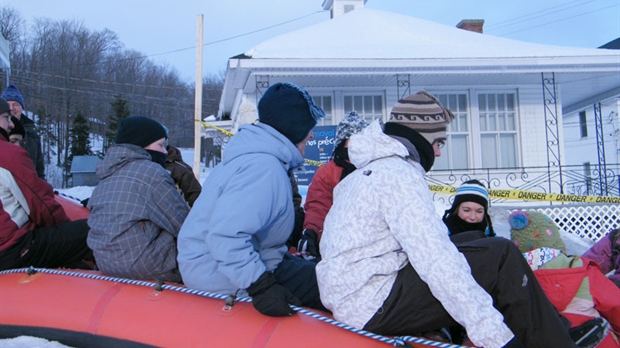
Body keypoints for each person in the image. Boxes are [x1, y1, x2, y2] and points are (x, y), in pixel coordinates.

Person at [315, 91, 580, 348]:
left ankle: (551, 328)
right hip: (373, 302)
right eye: (438, 143)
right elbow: (436, 261)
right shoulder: (398, 177)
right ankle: (552, 342)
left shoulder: (366, 173)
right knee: (500, 255)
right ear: (420, 137)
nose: (439, 153)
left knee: (475, 239)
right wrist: (498, 340)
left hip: (356, 291)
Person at [177, 82, 326, 317]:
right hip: (216, 270)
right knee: (335, 287)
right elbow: (225, 236)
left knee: (319, 272)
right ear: (293, 128)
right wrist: (260, 286)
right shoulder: (262, 168)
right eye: (308, 127)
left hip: (230, 260)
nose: (312, 134)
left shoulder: (255, 158)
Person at [87, 116, 189, 283]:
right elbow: (183, 224)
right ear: (142, 145)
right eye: (161, 145)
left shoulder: (107, 175)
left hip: (106, 263)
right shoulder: (151, 173)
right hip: (145, 266)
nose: (164, 152)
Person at [0, 98, 91, 271]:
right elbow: (41, 204)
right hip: (12, 249)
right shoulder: (9, 154)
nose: (10, 124)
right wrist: (65, 229)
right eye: (6, 117)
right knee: (91, 229)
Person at [509, 211, 619, 347]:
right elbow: (615, 305)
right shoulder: (582, 270)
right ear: (555, 238)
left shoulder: (512, 277)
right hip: (594, 339)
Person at [297, 111, 369, 259]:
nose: (354, 145)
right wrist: (311, 232)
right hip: (335, 244)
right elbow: (318, 206)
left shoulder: (376, 169)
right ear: (342, 141)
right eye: (350, 140)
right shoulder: (327, 173)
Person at [1, 84, 45, 179]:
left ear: (22, 108)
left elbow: (39, 166)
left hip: (30, 183)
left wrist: (42, 186)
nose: (12, 108)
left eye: (16, 104)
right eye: (8, 104)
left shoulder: (31, 131)